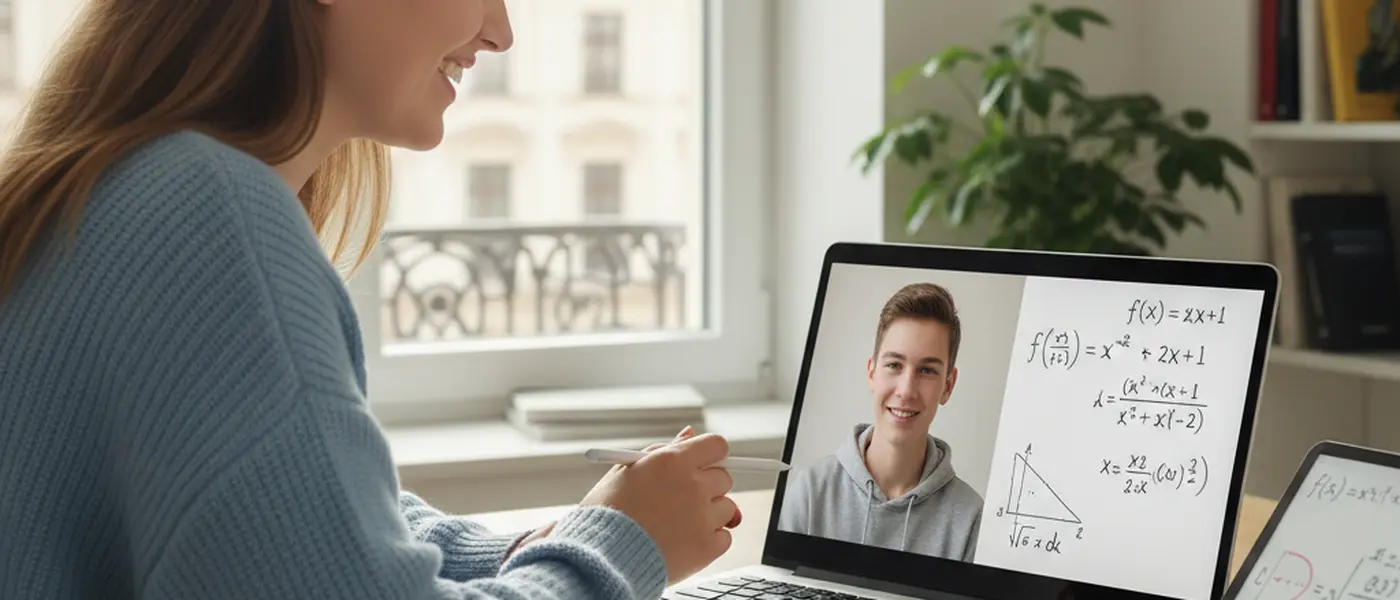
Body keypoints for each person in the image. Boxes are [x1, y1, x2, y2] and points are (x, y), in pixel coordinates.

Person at [0, 1, 740, 599]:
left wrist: (535, 546)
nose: (500, 30)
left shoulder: (120, 192)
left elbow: (309, 525)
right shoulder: (207, 216)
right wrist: (617, 544)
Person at [778, 283, 983, 560]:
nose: (906, 390)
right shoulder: (811, 492)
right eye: (894, 365)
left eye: (926, 370)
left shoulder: (971, 518)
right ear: (872, 373)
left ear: (948, 386)